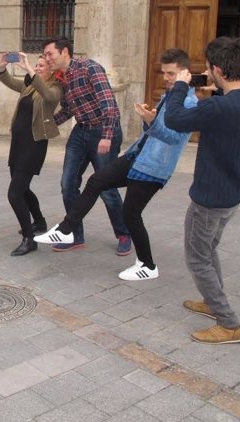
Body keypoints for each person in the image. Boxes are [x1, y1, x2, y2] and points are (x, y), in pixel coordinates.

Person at [36, 49, 198, 280]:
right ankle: (65, 230)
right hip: (137, 157)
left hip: (153, 168)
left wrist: (151, 122)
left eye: (171, 74)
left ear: (185, 73)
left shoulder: (189, 104)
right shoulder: (168, 96)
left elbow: (174, 139)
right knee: (97, 181)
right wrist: (148, 122)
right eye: (164, 73)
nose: (166, 78)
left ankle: (147, 266)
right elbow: (153, 133)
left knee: (131, 213)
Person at [164, 36, 240, 345]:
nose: (206, 73)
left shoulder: (218, 108)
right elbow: (229, 111)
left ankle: (229, 322)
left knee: (197, 258)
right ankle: (212, 302)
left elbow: (173, 119)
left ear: (219, 69)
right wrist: (217, 92)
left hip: (210, 197)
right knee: (208, 250)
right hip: (234, 193)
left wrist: (181, 86)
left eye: (209, 69)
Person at [42, 38, 132, 255]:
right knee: (68, 184)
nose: (46, 59)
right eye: (45, 55)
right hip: (80, 131)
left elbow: (109, 103)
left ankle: (124, 233)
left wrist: (107, 136)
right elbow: (70, 109)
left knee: (106, 187)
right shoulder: (62, 79)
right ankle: (74, 235)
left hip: (103, 131)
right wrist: (45, 126)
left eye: (49, 54)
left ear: (64, 52)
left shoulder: (90, 68)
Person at [0, 52, 63, 256]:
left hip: (34, 145)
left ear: (52, 70)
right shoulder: (30, 85)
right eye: (37, 65)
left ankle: (29, 238)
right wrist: (1, 67)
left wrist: (31, 71)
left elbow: (50, 98)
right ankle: (39, 222)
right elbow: (10, 82)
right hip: (18, 144)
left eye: (42, 65)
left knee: (14, 193)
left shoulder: (55, 88)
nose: (38, 68)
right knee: (23, 189)